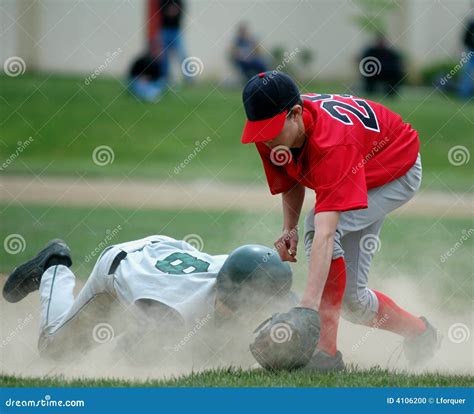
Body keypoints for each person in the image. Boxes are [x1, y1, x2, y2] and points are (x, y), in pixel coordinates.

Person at [240, 71, 442, 371]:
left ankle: (326, 356)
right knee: (353, 303)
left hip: (395, 169)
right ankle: (421, 334)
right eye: (259, 131)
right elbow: (291, 174)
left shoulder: (331, 143)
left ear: (295, 114)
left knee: (317, 227)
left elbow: (324, 233)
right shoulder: (274, 131)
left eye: (270, 130)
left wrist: (306, 308)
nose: (266, 140)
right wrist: (288, 228)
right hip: (360, 162)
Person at [3, 236, 295, 366]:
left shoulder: (239, 274)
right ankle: (53, 266)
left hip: (162, 255)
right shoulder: (173, 312)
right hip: (119, 272)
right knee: (56, 350)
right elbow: (131, 352)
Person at [158, 0, 190, 84]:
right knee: (164, 56)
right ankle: (164, 78)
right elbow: (162, 12)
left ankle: (189, 78)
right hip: (164, 30)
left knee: (182, 54)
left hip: (176, 31)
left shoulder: (179, 2)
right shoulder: (162, 2)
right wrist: (171, 12)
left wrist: (171, 12)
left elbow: (179, 13)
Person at [459, 16, 474, 99]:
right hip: (471, 51)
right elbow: (465, 38)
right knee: (467, 72)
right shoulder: (471, 23)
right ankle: (464, 94)